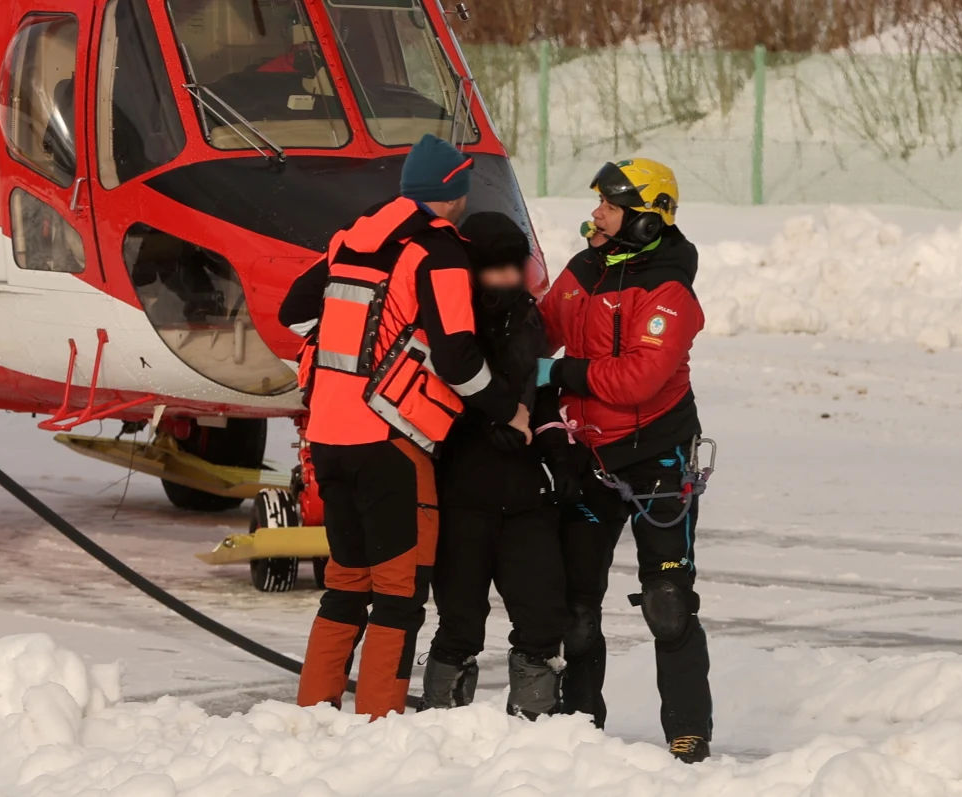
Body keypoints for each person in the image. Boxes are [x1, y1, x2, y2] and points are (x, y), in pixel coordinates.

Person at [277, 134, 533, 720]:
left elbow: (294, 314)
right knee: (398, 593)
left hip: (328, 437)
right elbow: (458, 361)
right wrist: (507, 409)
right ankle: (378, 721)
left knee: (346, 583)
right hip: (390, 443)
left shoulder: (352, 237)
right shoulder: (438, 253)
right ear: (454, 191)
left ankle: (314, 712)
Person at [536, 158, 712, 763]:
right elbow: (540, 330)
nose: (595, 216)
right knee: (576, 609)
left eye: (608, 207)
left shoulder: (670, 289)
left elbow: (639, 377)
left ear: (644, 220)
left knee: (667, 604)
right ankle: (580, 726)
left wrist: (557, 372)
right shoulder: (585, 269)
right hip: (590, 459)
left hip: (657, 460)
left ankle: (688, 733)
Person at [419, 212, 576, 719]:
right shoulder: (451, 327)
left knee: (542, 613)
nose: (509, 280)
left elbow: (544, 397)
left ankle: (534, 722)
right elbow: (438, 395)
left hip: (528, 496)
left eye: (516, 268)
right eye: (496, 269)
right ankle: (442, 715)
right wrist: (482, 426)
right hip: (464, 494)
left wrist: (561, 456)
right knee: (460, 619)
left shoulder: (530, 321)